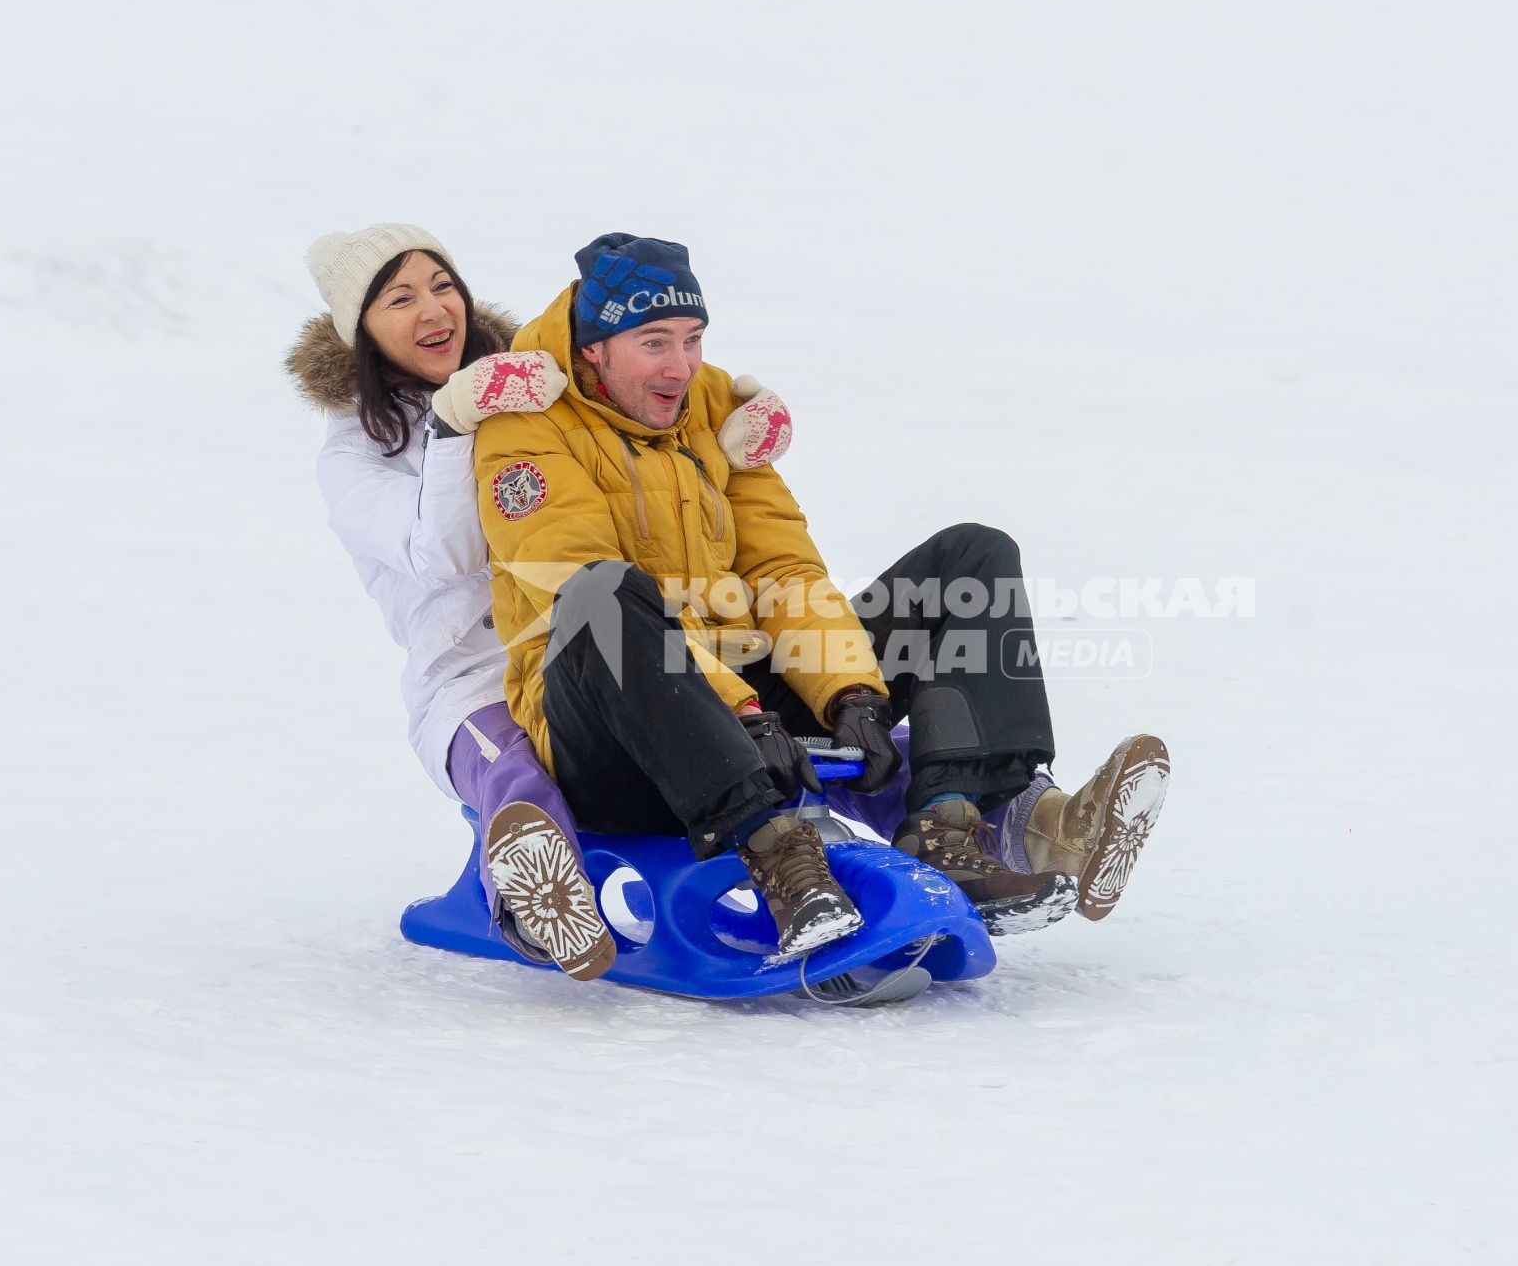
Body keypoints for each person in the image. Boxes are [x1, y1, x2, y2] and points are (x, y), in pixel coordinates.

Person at [472, 233, 1173, 960]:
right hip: (620, 731)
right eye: (654, 343)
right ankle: (778, 853)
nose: (680, 366)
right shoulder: (527, 424)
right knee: (602, 592)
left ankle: (948, 823)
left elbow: (785, 571)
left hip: (743, 700)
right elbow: (569, 577)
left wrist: (849, 692)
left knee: (974, 558)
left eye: (693, 339)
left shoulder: (713, 408)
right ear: (594, 349)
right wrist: (736, 711)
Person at [286, 223, 616, 981]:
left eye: (443, 286)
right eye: (400, 297)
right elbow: (441, 554)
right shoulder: (353, 458)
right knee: (513, 768)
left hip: (584, 649)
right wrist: (452, 423)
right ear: (361, 331)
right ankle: (535, 896)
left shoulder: (522, 392)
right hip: (470, 683)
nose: (434, 308)